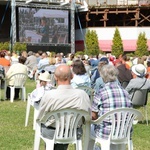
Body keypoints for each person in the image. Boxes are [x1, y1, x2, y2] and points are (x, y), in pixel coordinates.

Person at [36, 64, 91, 150]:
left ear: (55, 77)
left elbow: (40, 117)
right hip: (74, 131)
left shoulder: (49, 95)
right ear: (72, 76)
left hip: (52, 132)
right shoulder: (82, 95)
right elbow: (87, 117)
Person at [89, 64, 132, 150]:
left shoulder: (101, 92)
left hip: (106, 133)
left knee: (89, 128)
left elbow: (93, 116)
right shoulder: (125, 92)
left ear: (102, 76)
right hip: (123, 131)